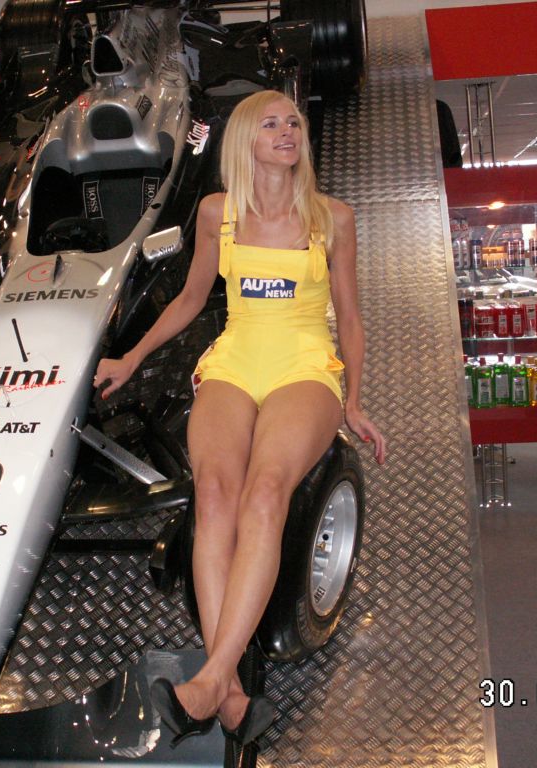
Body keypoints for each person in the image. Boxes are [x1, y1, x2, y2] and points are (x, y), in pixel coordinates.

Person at [93, 89, 385, 746]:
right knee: (216, 496)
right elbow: (192, 299)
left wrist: (355, 399)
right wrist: (132, 357)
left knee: (265, 493)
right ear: (246, 140)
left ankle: (210, 679)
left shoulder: (333, 218)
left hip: (305, 366)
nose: (287, 131)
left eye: (294, 122)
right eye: (271, 123)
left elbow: (351, 317)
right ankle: (227, 693)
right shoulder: (216, 213)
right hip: (235, 359)